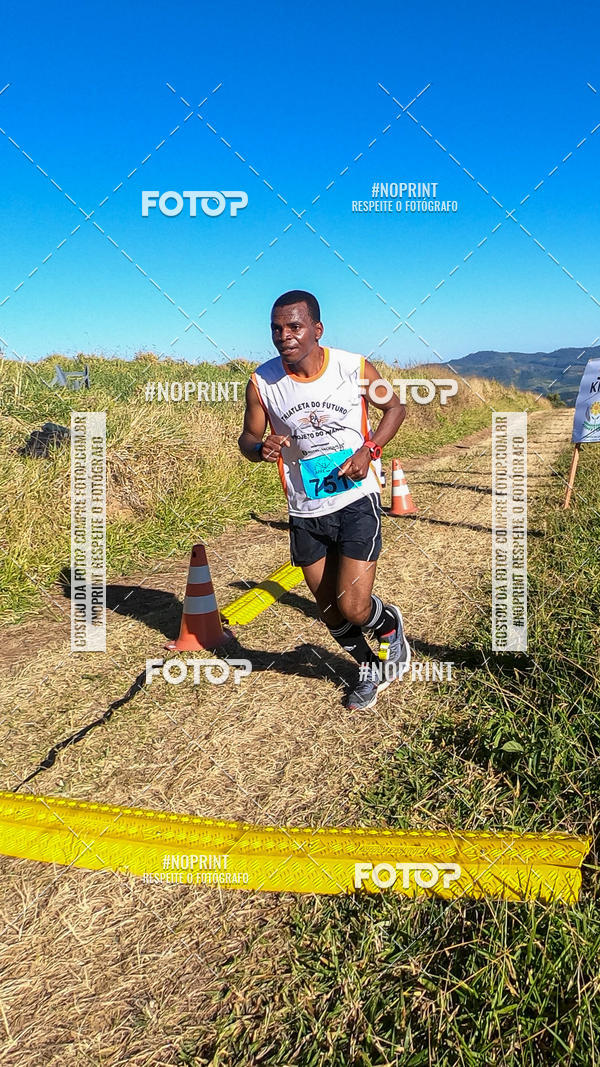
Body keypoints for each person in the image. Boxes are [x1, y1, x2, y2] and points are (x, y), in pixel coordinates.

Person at [238, 289, 411, 710]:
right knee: (330, 613)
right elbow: (247, 438)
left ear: (317, 329)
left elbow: (396, 409)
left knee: (353, 607)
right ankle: (370, 669)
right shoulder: (262, 382)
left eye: (294, 327)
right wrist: (262, 449)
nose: (285, 336)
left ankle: (390, 628)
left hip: (356, 499)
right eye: (277, 329)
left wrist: (369, 449)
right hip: (305, 508)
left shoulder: (353, 367)